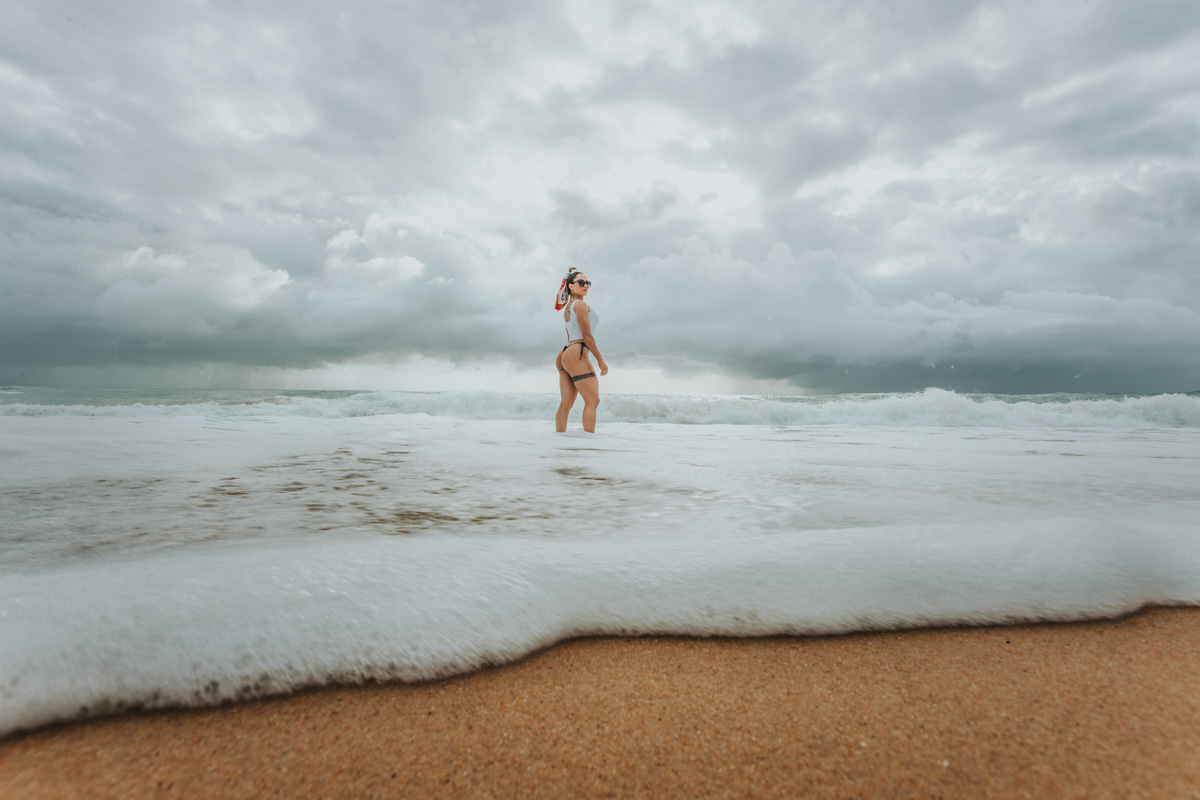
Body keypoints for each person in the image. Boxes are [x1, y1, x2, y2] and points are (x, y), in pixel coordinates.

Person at [554, 269, 608, 433]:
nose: (586, 286)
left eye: (587, 283)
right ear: (571, 286)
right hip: (576, 352)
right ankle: (589, 446)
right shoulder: (581, 305)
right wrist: (600, 359)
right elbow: (586, 335)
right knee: (593, 400)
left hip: (565, 353)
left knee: (566, 401)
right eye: (581, 282)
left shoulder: (569, 306)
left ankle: (559, 440)